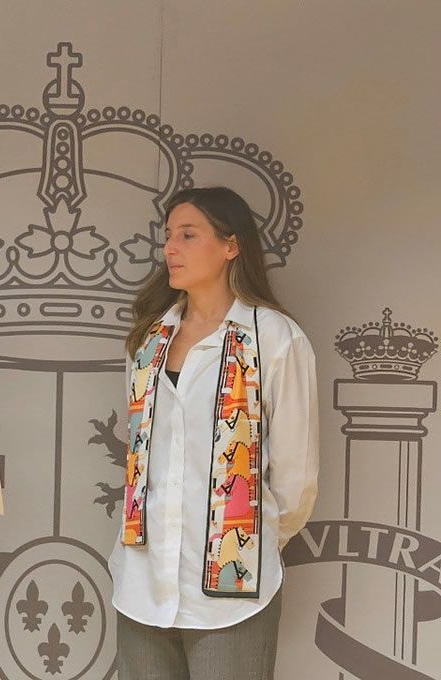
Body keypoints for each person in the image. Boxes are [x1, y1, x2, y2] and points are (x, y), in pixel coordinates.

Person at [110, 187, 319, 679]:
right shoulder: (148, 339)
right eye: (167, 237)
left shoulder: (274, 338)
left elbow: (296, 477)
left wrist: (248, 538)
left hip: (231, 591)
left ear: (231, 245)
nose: (170, 250)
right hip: (143, 582)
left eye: (188, 235)